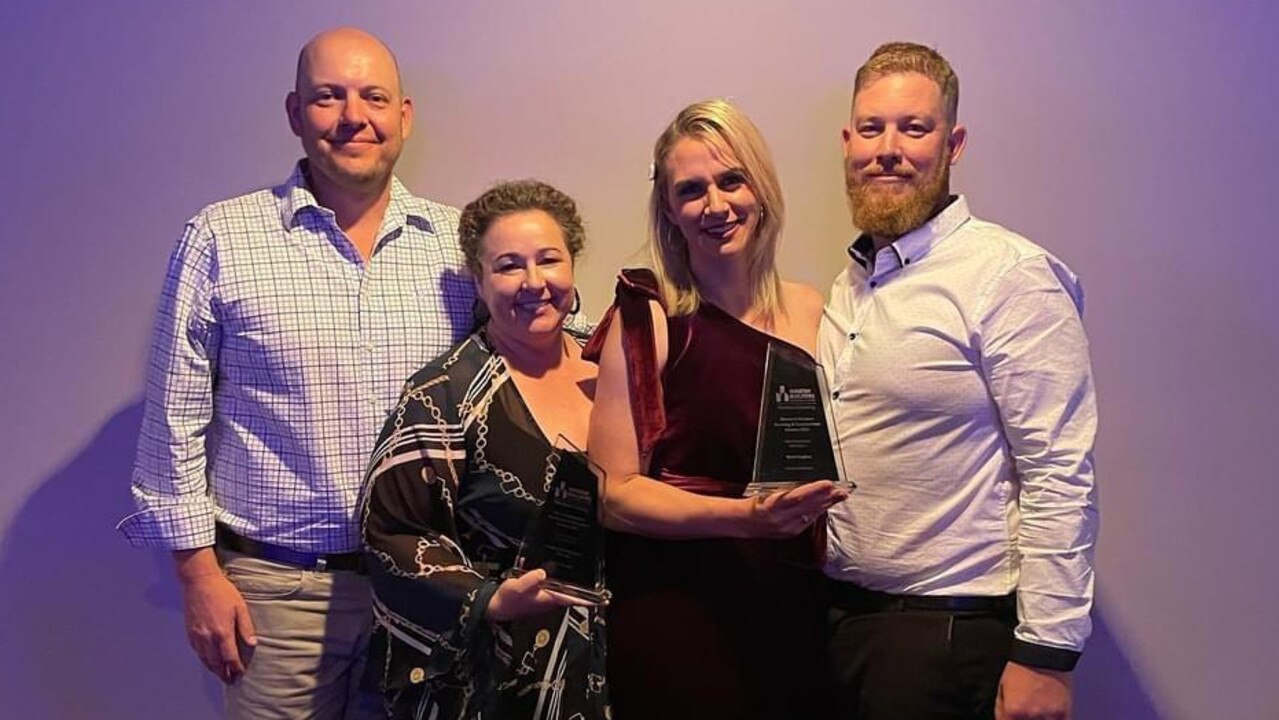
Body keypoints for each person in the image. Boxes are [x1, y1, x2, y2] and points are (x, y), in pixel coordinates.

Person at [118, 28, 474, 719]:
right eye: (327, 97)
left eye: (373, 97)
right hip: (275, 598)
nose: (353, 117)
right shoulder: (221, 238)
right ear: (293, 113)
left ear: (404, 115)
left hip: (423, 594)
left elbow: (531, 357)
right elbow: (172, 420)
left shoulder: (458, 247)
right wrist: (197, 577)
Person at [819, 42, 1098, 720]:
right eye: (872, 128)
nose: (888, 148)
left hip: (949, 638)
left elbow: (1059, 470)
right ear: (847, 141)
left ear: (953, 143)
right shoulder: (852, 280)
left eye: (914, 128)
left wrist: (1045, 654)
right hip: (840, 627)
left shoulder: (1008, 275)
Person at [586, 99, 848, 720]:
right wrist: (747, 518)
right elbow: (612, 494)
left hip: (793, 599)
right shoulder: (649, 318)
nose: (717, 205)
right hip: (678, 610)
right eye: (691, 190)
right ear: (670, 211)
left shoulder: (814, 309)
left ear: (761, 186)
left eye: (732, 180)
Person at [359, 180, 607, 720]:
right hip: (496, 678)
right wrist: (489, 598)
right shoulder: (444, 395)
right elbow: (391, 533)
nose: (534, 283)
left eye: (549, 260)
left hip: (618, 659)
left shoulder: (615, 366)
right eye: (509, 266)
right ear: (478, 277)